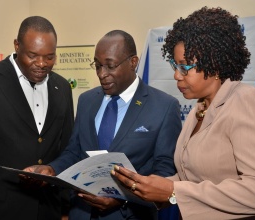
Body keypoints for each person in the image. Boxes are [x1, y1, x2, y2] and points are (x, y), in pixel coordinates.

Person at [111, 7, 255, 220]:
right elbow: (195, 178)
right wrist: (147, 186)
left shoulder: (248, 102)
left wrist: (174, 191)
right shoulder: (199, 109)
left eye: (185, 67)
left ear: (213, 64)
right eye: (175, 65)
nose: (176, 75)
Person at [24, 30, 182, 220]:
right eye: (97, 66)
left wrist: (122, 197)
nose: (101, 74)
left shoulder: (163, 106)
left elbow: (164, 172)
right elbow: (74, 152)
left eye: (110, 66)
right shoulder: (87, 100)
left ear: (133, 62)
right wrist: (52, 170)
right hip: (82, 212)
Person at [0, 16, 74, 220]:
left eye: (50, 57)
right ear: (17, 45)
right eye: (33, 55)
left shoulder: (63, 88)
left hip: (47, 210)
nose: (42, 64)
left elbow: (66, 148)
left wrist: (65, 207)